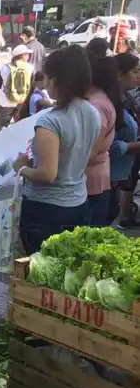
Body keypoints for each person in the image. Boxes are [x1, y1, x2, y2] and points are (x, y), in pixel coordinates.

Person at [12, 46, 101, 254]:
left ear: (57, 80)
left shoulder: (50, 121)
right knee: (65, 266)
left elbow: (47, 175)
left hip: (46, 209)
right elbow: (89, 156)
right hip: (78, 202)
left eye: (47, 77)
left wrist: (21, 169)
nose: (45, 83)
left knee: (39, 267)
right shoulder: (92, 112)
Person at [84, 54, 119, 227]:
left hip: (92, 182)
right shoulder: (97, 100)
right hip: (94, 179)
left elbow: (90, 152)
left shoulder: (96, 105)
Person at [111, 52, 140, 226]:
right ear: (120, 74)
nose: (138, 75)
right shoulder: (111, 103)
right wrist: (134, 145)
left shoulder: (127, 97)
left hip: (122, 170)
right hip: (111, 174)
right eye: (135, 71)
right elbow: (109, 146)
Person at [0, 44, 34, 130]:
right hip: (22, 101)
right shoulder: (30, 68)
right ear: (22, 55)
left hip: (6, 101)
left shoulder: (5, 67)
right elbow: (32, 85)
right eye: (27, 54)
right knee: (20, 126)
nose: (28, 56)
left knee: (3, 125)